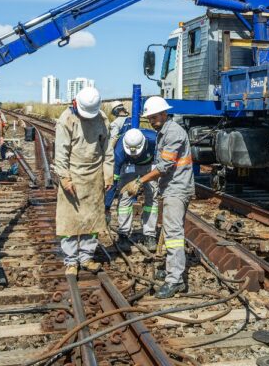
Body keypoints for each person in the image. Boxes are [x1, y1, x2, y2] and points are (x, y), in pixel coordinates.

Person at [123, 96, 194, 298]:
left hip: (177, 188)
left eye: (155, 117)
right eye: (150, 118)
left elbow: (164, 167)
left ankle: (175, 280)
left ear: (164, 114)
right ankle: (174, 271)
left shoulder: (173, 133)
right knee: (171, 232)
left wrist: (139, 181)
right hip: (171, 187)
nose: (152, 121)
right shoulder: (164, 132)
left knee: (173, 236)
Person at [54, 87, 114, 276]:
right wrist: (64, 178)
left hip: (94, 175)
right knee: (69, 220)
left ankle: (87, 256)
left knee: (92, 219)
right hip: (72, 174)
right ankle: (71, 260)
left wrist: (108, 174)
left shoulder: (102, 119)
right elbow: (61, 152)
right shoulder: (67, 119)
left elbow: (107, 150)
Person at [112, 128, 159, 252]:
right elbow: (114, 181)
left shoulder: (155, 140)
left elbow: (163, 164)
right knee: (124, 198)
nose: (136, 154)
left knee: (152, 199)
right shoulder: (119, 151)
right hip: (129, 167)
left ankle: (150, 234)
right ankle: (123, 233)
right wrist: (106, 206)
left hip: (151, 165)